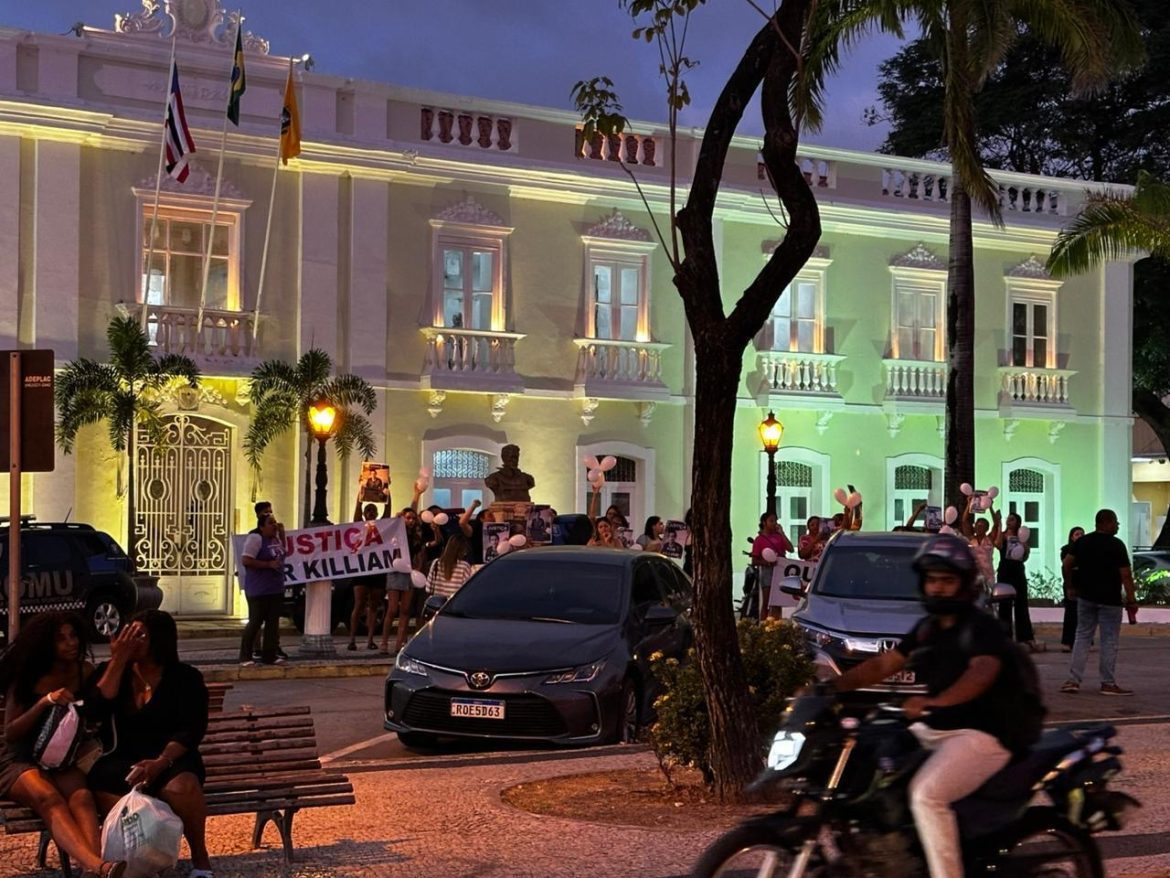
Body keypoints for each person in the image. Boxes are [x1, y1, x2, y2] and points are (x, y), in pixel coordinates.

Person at [831, 535, 1020, 878]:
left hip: (983, 733)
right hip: (939, 726)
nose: (938, 588)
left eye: (947, 581)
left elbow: (981, 673)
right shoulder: (928, 627)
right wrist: (829, 687)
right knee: (875, 768)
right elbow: (885, 663)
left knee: (926, 796)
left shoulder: (981, 627)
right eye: (933, 580)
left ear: (964, 585)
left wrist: (934, 702)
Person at [87, 611, 212, 878]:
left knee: (183, 787)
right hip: (123, 758)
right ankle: (139, 862)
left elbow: (191, 730)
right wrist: (118, 660)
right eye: (128, 634)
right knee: (107, 785)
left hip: (170, 757)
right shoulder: (112, 673)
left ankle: (201, 860)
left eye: (140, 635)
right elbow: (94, 710)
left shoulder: (185, 677)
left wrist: (161, 762)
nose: (132, 641)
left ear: (160, 640)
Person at [0, 613, 125, 878]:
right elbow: (11, 732)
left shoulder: (84, 672)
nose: (71, 643)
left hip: (62, 757)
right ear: (46, 644)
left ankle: (93, 872)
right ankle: (99, 866)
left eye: (73, 636)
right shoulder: (27, 675)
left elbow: (101, 704)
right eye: (61, 639)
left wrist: (118, 659)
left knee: (82, 798)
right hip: (20, 758)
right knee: (50, 798)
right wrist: (45, 701)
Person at [1061, 508, 1137, 695]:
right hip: (1110, 600)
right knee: (1109, 640)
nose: (1117, 525)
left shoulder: (1082, 543)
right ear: (1106, 522)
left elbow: (1066, 564)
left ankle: (1073, 680)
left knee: (1082, 637)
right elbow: (1126, 575)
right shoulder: (1117, 545)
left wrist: (1070, 585)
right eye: (1115, 522)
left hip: (1086, 597)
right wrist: (1131, 599)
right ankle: (1107, 682)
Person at [380, 483, 424, 655]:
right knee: (392, 609)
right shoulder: (396, 530)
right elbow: (407, 510)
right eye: (408, 518)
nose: (411, 521)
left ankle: (399, 644)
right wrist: (416, 495)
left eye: (413, 518)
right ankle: (384, 642)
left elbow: (419, 553)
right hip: (395, 570)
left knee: (406, 610)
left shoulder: (416, 535)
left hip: (409, 571)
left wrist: (417, 569)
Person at [239, 513, 286, 666]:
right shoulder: (256, 539)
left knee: (273, 624)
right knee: (255, 622)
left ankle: (269, 655)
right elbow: (246, 560)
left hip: (275, 588)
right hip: (259, 590)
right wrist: (267, 565)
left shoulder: (275, 540)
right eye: (271, 523)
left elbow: (284, 554)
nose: (274, 525)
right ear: (262, 527)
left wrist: (282, 535)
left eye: (275, 522)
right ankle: (245, 656)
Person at [997, 512, 1043, 652]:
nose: (1009, 521)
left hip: (1017, 571)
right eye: (1008, 519)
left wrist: (1025, 548)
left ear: (1017, 522)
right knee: (1004, 605)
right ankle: (1005, 637)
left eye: (1012, 519)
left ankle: (1024, 637)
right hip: (1004, 571)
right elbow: (998, 545)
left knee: (1021, 604)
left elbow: (1024, 557)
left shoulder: (1021, 537)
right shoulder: (1003, 535)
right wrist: (998, 526)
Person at [348, 499, 389, 651]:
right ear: (365, 514)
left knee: (374, 605)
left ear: (377, 513)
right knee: (358, 604)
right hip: (362, 569)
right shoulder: (359, 526)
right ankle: (352, 639)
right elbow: (356, 514)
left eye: (373, 510)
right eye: (368, 511)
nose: (371, 512)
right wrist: (359, 497)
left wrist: (386, 495)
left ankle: (370, 639)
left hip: (377, 569)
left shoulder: (382, 527)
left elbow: (388, 512)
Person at [751, 512, 794, 620]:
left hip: (779, 570)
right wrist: (767, 563)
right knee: (767, 601)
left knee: (777, 601)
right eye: (771, 521)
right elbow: (754, 560)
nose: (774, 523)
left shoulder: (779, 537)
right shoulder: (759, 540)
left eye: (775, 521)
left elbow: (790, 549)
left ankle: (776, 624)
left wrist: (782, 533)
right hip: (767, 571)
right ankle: (764, 624)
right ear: (764, 523)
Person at [960, 497, 1000, 590]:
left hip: (988, 576)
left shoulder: (989, 539)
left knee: (989, 600)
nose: (979, 528)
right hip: (974, 575)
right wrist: (969, 504)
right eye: (977, 525)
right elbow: (964, 521)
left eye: (982, 526)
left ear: (986, 528)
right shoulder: (971, 539)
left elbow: (996, 524)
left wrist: (990, 506)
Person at [1059, 526, 1086, 652]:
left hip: (1084, 583)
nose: (1080, 536)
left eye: (1082, 534)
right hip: (1071, 582)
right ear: (1071, 537)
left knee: (1084, 613)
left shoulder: (1087, 550)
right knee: (1070, 613)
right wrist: (1069, 586)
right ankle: (1067, 641)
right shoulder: (1066, 550)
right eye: (1077, 534)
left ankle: (1083, 642)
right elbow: (1066, 566)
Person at [426, 532, 474, 599]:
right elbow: (467, 590)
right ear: (463, 550)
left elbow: (428, 588)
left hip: (437, 606)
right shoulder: (464, 566)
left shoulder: (436, 563)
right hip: (454, 605)